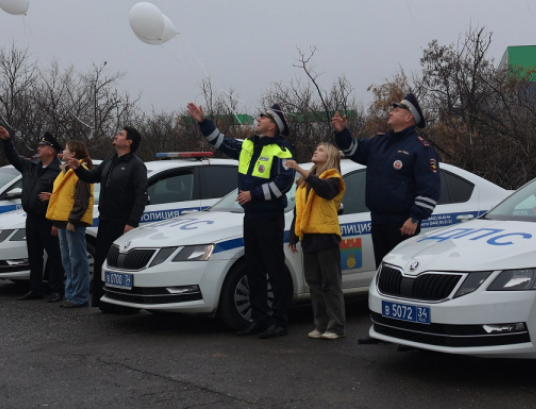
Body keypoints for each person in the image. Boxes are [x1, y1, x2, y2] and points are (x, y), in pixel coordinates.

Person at [332, 92, 441, 345]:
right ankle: (384, 328)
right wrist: (341, 132)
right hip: (378, 219)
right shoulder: (380, 142)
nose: (390, 111)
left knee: (404, 279)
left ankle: (407, 334)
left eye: (396, 109)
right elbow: (354, 150)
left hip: (403, 223)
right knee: (384, 276)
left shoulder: (420, 148)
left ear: (409, 117)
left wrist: (415, 218)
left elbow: (430, 189)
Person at [186, 102, 295, 339]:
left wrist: (253, 194)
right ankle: (259, 320)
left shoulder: (282, 151)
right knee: (254, 269)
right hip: (251, 218)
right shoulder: (247, 145)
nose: (258, 118)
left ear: (273, 126)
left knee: (275, 270)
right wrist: (203, 121)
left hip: (270, 218)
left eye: (263, 117)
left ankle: (279, 322)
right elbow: (220, 141)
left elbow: (284, 183)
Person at [67, 127, 148, 310]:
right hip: (106, 221)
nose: (116, 135)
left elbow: (141, 195)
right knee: (103, 261)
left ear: (129, 142)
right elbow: (92, 177)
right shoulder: (110, 161)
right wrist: (78, 168)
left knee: (121, 265)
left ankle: (124, 306)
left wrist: (132, 222)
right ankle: (104, 302)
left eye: (121, 134)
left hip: (123, 223)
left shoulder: (136, 165)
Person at [0, 126, 64, 302]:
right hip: (31, 218)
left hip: (48, 219)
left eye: (42, 146)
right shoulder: (30, 165)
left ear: (51, 150)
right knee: (34, 255)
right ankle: (36, 289)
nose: (38, 148)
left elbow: (63, 198)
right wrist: (6, 140)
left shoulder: (59, 171)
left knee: (54, 256)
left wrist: (57, 222)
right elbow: (12, 156)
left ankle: (57, 290)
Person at [287, 142, 346, 340]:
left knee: (330, 282)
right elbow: (299, 210)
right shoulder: (304, 182)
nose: (316, 151)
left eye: (321, 150)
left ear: (329, 157)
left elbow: (324, 190)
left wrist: (300, 170)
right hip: (309, 236)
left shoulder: (333, 178)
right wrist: (293, 235)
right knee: (314, 282)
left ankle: (336, 325)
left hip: (326, 234)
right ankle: (320, 324)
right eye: (316, 148)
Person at [45, 140, 94, 308]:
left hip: (73, 223)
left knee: (77, 260)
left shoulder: (81, 173)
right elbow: (65, 198)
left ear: (73, 154)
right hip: (63, 222)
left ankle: (79, 297)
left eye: (66, 149)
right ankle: (72, 295)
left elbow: (82, 201)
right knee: (67, 260)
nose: (63, 152)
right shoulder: (65, 171)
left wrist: (73, 221)